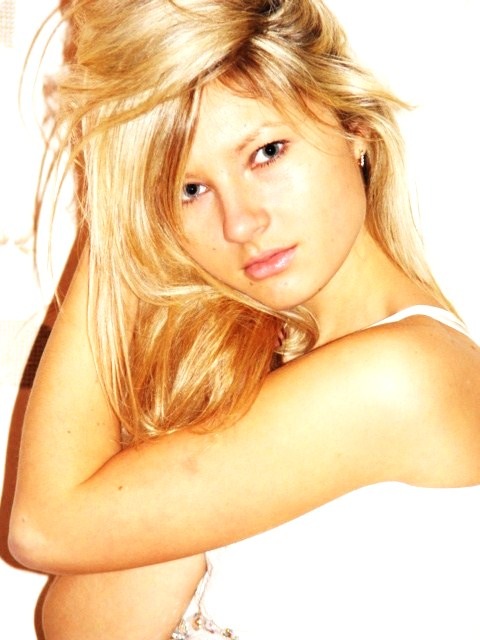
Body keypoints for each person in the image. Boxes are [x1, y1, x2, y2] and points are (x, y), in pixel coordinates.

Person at [8, 0, 480, 638]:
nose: (240, 222)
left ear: (354, 127)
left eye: (266, 152)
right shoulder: (261, 377)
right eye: (189, 189)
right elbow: (78, 627)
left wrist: (115, 218)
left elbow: (41, 528)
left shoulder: (404, 376)